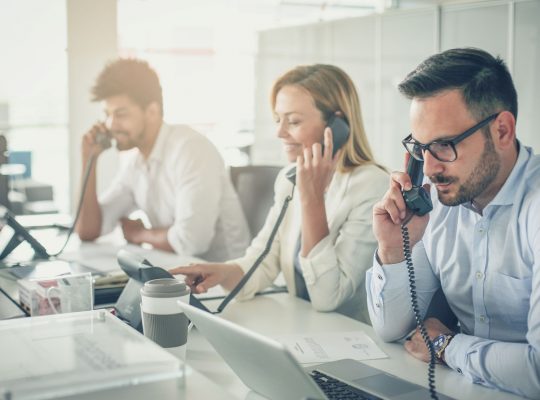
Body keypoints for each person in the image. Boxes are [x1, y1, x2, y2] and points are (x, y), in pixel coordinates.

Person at [367, 48, 540, 398]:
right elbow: (391, 329)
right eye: (421, 146)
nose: (429, 168)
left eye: (445, 145)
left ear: (502, 130)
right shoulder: (441, 202)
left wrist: (447, 347)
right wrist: (393, 250)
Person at [170, 64, 388, 322]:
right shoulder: (289, 179)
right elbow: (264, 259)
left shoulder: (372, 186)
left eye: (293, 121)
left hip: (354, 337)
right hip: (304, 327)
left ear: (336, 125)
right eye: (278, 119)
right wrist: (222, 272)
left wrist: (312, 198)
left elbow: (329, 296)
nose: (280, 132)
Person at [75, 58, 249, 261]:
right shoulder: (136, 163)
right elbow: (88, 231)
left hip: (223, 283)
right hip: (179, 274)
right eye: (107, 115)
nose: (110, 125)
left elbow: (191, 242)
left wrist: (140, 235)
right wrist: (89, 160)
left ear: (152, 112)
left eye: (121, 114)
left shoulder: (190, 150)